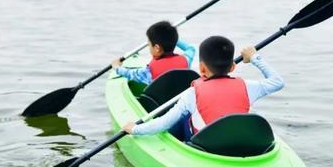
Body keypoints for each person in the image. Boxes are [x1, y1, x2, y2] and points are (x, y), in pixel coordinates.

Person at [121, 35, 284, 140]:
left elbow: (164, 122)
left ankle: (179, 146)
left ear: (202, 68)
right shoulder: (249, 86)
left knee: (180, 117)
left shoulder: (192, 94)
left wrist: (135, 129)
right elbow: (278, 82)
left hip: (206, 146)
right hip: (240, 140)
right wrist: (254, 57)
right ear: (233, 67)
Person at [111, 20, 195, 85]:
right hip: (180, 99)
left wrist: (117, 67)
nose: (148, 47)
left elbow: (131, 74)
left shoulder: (148, 71)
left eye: (149, 45)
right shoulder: (186, 60)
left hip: (160, 104)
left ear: (157, 48)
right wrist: (172, 40)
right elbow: (191, 48)